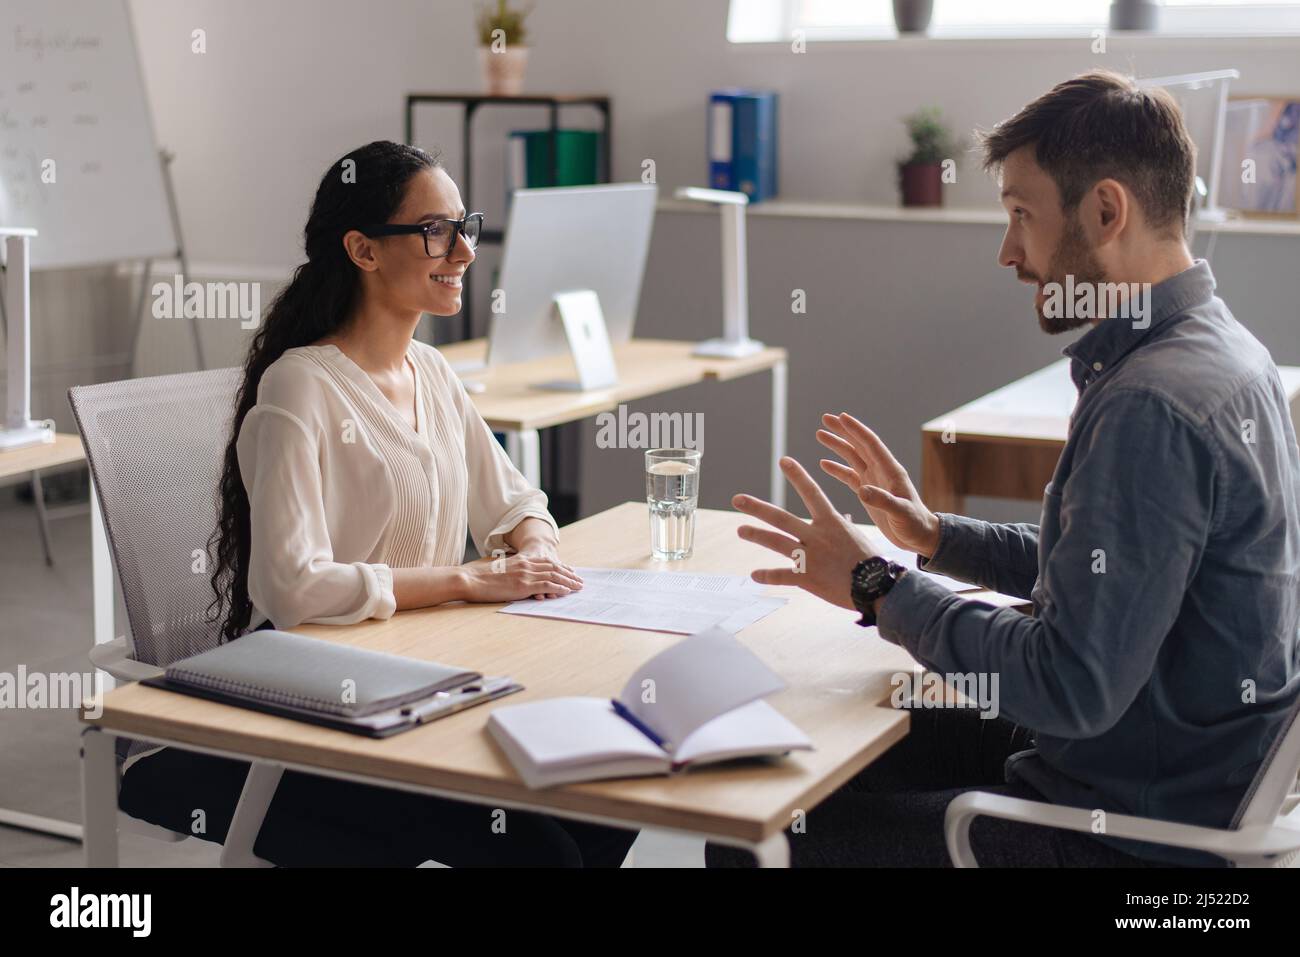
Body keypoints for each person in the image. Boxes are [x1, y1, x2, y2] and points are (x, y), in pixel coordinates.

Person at [710, 71, 1300, 867]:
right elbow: (1115, 576)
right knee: (802, 754)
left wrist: (875, 587)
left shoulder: (1150, 404)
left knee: (755, 837)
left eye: (1023, 213)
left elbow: (1069, 685)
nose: (1008, 251)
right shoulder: (1225, 353)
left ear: (1105, 210)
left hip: (1125, 833)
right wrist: (935, 536)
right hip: (1161, 772)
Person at [119, 140, 636, 867]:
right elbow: (292, 588)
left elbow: (516, 498)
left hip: (422, 681)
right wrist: (465, 579)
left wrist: (535, 547)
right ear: (362, 248)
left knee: (608, 801)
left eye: (466, 226)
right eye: (435, 230)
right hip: (321, 706)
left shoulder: (432, 369)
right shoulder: (301, 387)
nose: (461, 250)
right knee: (543, 851)